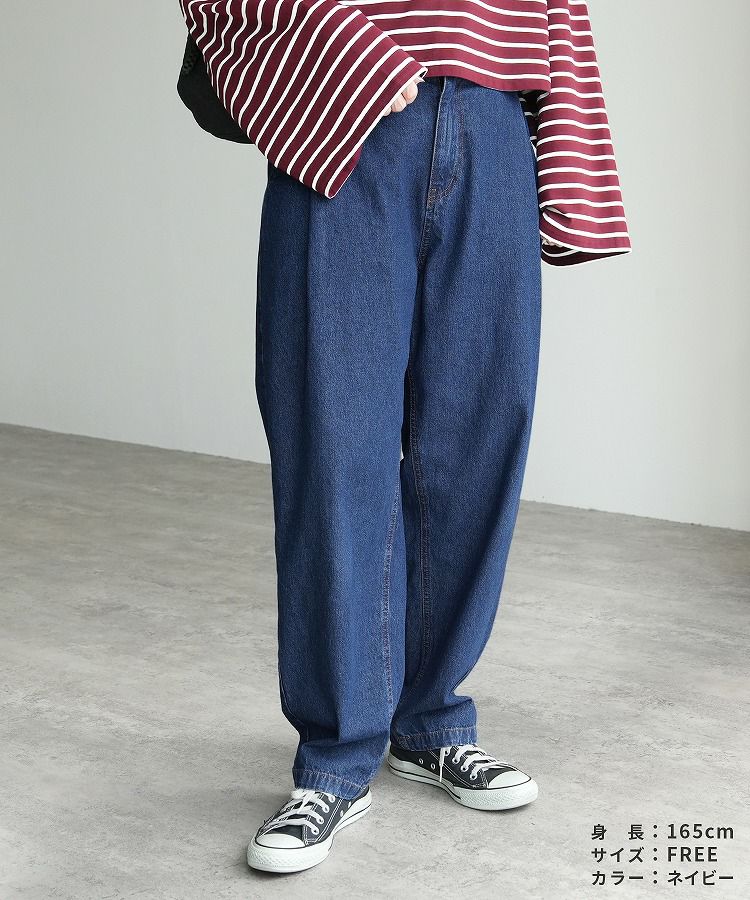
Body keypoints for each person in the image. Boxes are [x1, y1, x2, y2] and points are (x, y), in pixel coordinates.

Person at [178, 0, 631, 875]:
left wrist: (571, 156)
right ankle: (336, 756)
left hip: (496, 117)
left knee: (477, 440)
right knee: (332, 444)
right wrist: (345, 54)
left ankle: (430, 721)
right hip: (341, 118)